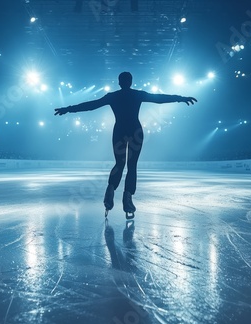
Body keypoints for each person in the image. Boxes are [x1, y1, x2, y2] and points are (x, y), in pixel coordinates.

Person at [54, 72, 197, 218]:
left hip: (119, 131)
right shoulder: (137, 94)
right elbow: (159, 99)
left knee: (119, 164)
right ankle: (127, 199)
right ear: (131, 82)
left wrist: (68, 109)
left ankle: (110, 189)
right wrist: (180, 98)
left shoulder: (112, 96)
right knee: (132, 165)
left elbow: (91, 105)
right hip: (135, 130)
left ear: (119, 82)